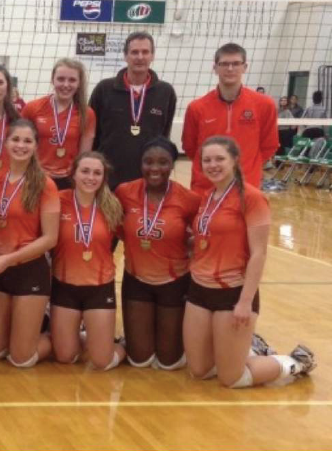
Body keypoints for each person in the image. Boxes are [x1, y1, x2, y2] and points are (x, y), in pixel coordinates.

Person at [184, 136, 316, 388]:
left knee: (231, 379)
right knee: (199, 370)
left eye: (220, 159)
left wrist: (244, 302)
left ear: (234, 160)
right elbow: (207, 238)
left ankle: (295, 361)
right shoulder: (207, 196)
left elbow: (259, 254)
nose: (213, 165)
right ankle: (250, 349)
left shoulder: (252, 198)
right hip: (199, 289)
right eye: (207, 160)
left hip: (232, 292)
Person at [114, 137, 200, 369]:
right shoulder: (124, 192)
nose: (154, 168)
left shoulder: (189, 199)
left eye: (163, 162)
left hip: (174, 282)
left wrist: (191, 244)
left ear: (172, 164)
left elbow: (203, 232)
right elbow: (117, 227)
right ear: (140, 163)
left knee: (169, 362)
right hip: (136, 280)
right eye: (148, 161)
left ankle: (251, 345)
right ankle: (130, 339)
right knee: (139, 361)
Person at [0, 119, 59, 368]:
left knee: (21, 358)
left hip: (29, 270)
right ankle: (25, 332)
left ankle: (62, 339)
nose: (21, 145)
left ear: (36, 146)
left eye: (28, 141)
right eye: (16, 139)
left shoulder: (45, 184)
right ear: (5, 143)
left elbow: (50, 238)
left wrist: (10, 259)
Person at [50, 152, 126, 371]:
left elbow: (132, 238)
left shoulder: (113, 206)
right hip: (64, 286)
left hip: (99, 288)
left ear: (104, 177)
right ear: (73, 174)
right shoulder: (57, 200)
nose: (90, 177)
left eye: (97, 173)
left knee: (101, 362)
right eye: (85, 171)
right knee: (65, 356)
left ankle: (125, 345)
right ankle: (85, 336)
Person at [182, 43, 279, 194]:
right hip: (205, 189)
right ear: (215, 68)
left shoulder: (264, 104)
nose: (230, 68)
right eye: (224, 64)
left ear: (245, 67)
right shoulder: (197, 107)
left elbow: (269, 146)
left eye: (236, 63)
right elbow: (191, 148)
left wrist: (244, 168)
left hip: (246, 188)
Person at [89, 31, 177, 190]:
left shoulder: (166, 92)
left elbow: (164, 135)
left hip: (147, 176)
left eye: (145, 52)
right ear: (125, 56)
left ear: (152, 55)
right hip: (108, 175)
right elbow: (92, 134)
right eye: (134, 52)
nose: (140, 57)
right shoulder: (104, 89)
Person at [22, 58, 96, 189]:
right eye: (61, 79)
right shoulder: (32, 108)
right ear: (53, 80)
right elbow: (21, 145)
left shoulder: (87, 113)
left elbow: (84, 156)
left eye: (72, 80)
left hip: (69, 180)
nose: (66, 85)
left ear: (79, 83)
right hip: (36, 176)